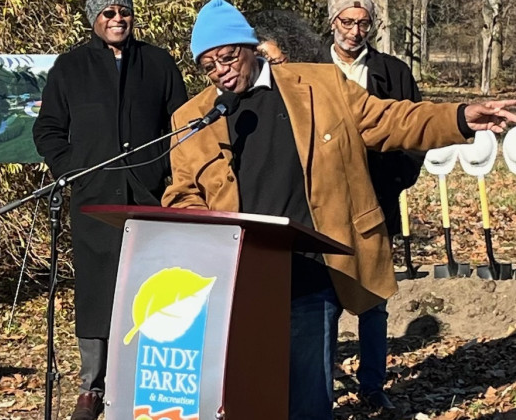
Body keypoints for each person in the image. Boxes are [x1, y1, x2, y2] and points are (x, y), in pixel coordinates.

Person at [161, 1, 516, 419]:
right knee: (250, 389)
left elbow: (391, 119)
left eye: (226, 56)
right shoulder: (192, 117)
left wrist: (458, 116)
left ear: (250, 47)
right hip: (241, 275)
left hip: (312, 266)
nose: (220, 70)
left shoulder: (321, 84)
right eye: (208, 65)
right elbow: (182, 193)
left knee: (309, 395)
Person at [31, 1, 188, 419]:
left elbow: (182, 125)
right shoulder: (70, 67)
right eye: (107, 12)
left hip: (149, 198)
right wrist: (75, 171)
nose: (117, 19)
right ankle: (91, 388)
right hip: (95, 200)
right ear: (93, 19)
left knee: (151, 290)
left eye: (124, 10)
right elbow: (46, 130)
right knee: (98, 292)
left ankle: (145, 382)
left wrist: (166, 172)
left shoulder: (158, 63)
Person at [328, 0, 423, 410]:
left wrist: (396, 179)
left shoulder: (394, 72)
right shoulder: (310, 72)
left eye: (363, 23)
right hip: (323, 200)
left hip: (376, 198)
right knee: (323, 300)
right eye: (347, 22)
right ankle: (319, 379)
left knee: (374, 296)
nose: (355, 30)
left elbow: (416, 129)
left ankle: (372, 385)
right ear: (333, 23)